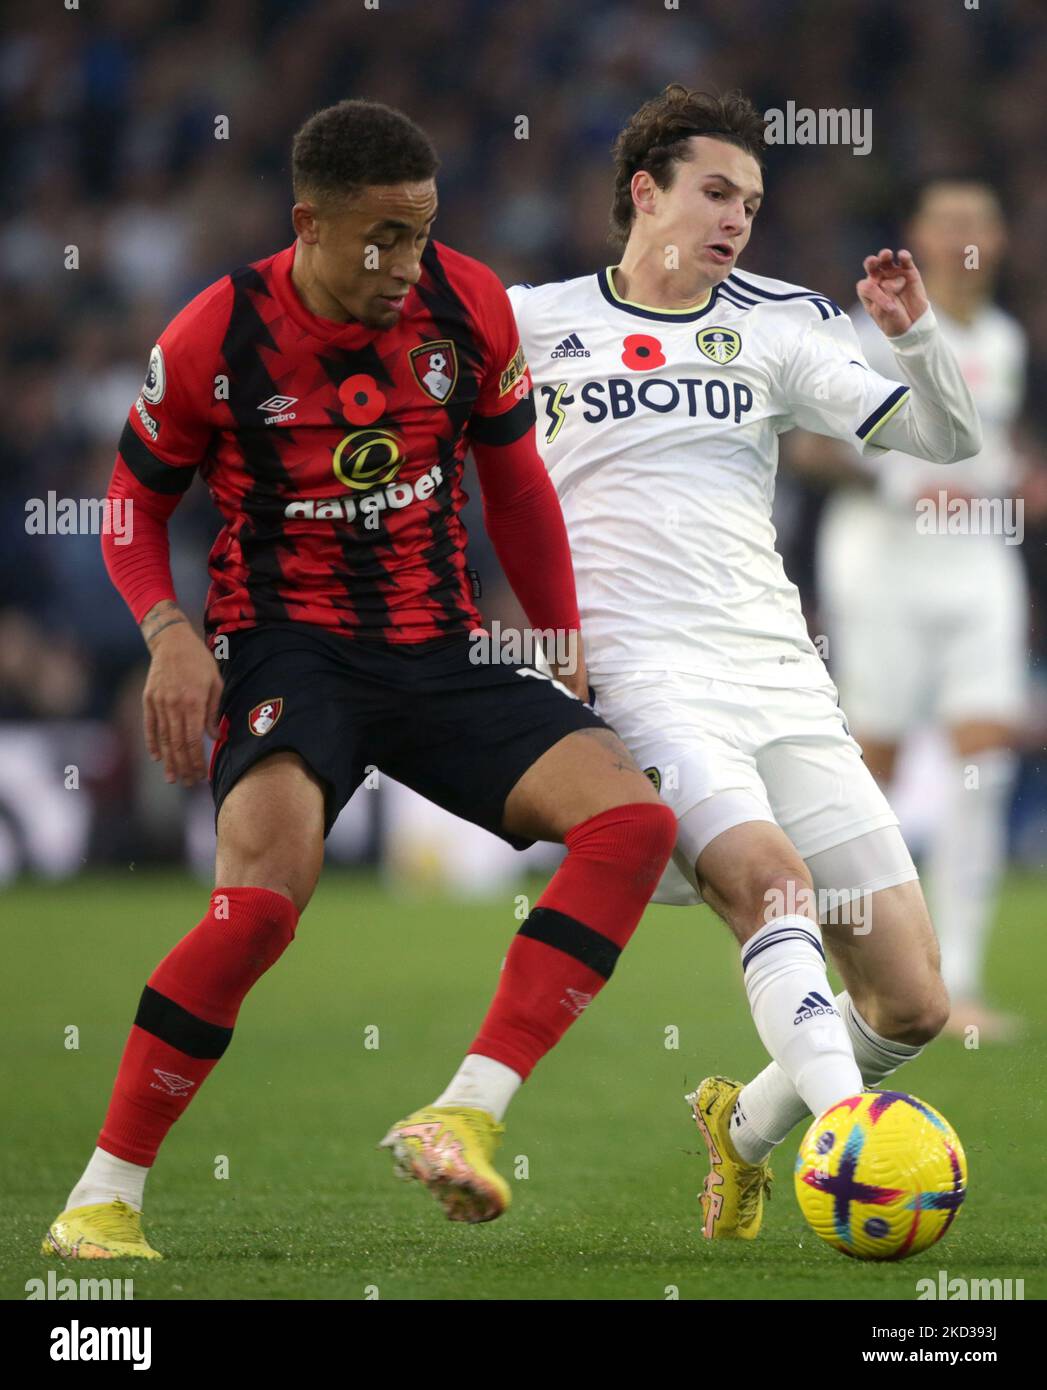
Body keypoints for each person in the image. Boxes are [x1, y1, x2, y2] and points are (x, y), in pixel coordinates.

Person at [41, 99, 675, 1260]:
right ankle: (103, 1194)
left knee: (631, 822)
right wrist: (169, 631)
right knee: (262, 904)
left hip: (436, 645)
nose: (406, 264)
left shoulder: (467, 305)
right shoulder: (213, 336)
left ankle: (462, 1110)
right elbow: (133, 504)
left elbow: (518, 487)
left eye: (422, 233)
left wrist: (559, 633)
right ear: (309, 226)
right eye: (383, 236)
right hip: (287, 645)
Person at [508, 85, 980, 1241]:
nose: (736, 221)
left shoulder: (780, 321)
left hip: (780, 678)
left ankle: (747, 1129)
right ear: (644, 192)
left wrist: (913, 333)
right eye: (716, 193)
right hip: (638, 676)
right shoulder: (532, 321)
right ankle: (854, 1153)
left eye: (753, 204)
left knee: (914, 1001)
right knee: (772, 885)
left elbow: (949, 441)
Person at [813, 180, 1028, 1042]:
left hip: (976, 561)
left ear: (999, 239)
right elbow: (812, 446)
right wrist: (898, 472)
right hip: (883, 560)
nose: (962, 235)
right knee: (878, 769)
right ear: (917, 237)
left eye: (978, 220)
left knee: (986, 765)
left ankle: (960, 980)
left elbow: (995, 443)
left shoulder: (1004, 340)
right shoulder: (865, 338)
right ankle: (856, 968)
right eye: (947, 221)